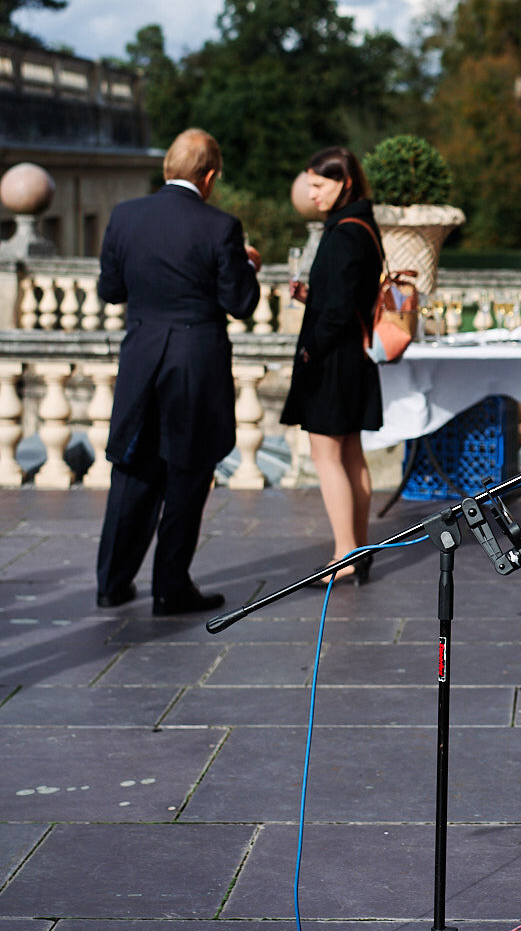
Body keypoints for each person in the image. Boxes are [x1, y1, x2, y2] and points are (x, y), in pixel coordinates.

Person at [95, 128, 261, 615]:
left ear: (168, 168)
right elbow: (241, 302)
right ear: (209, 176)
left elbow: (111, 290)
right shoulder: (220, 226)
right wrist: (246, 264)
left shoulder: (125, 216)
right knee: (188, 471)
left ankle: (111, 583)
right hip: (195, 361)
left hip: (142, 356)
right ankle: (170, 587)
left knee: (133, 467)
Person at [280, 147, 383, 585]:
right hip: (352, 358)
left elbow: (338, 312)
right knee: (350, 453)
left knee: (327, 456)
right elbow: (346, 297)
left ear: (344, 183)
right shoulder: (361, 225)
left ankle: (345, 554)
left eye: (319, 185)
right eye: (310, 184)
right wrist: (314, 296)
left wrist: (310, 351)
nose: (311, 193)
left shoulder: (343, 232)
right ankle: (357, 548)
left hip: (333, 359)